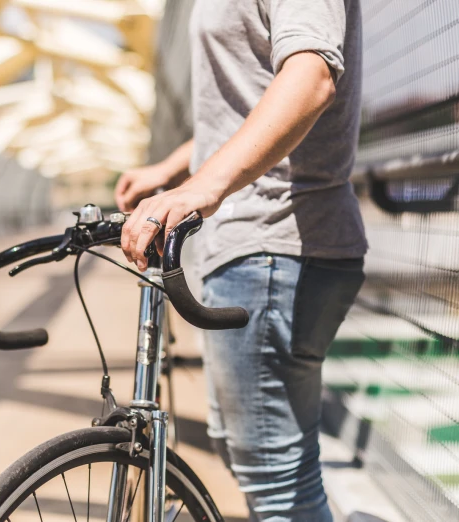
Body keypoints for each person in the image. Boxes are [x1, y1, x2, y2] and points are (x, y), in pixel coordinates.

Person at [115, 1, 367, 520]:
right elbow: (248, 100)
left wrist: (202, 186)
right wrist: (173, 167)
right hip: (254, 246)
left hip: (276, 244)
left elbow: (310, 75)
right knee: (245, 453)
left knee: (278, 489)